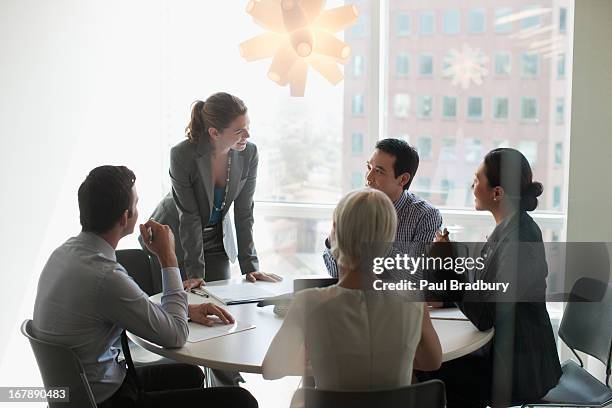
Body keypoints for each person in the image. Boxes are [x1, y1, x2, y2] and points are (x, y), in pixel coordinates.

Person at [32, 166, 257, 408]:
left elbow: (122, 306)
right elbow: (176, 336)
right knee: (241, 401)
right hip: (108, 400)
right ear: (124, 217)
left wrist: (186, 311)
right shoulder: (106, 276)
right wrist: (168, 257)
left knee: (190, 374)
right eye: (136, 204)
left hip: (80, 394)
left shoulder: (63, 254)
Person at [419, 148, 562, 407]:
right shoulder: (508, 229)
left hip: (518, 367)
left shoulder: (519, 239)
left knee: (427, 374)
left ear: (497, 193)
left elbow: (485, 316)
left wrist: (446, 265)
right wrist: (449, 298)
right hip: (504, 352)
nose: (472, 186)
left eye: (477, 179)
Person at [262, 188, 442, 389]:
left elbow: (271, 370)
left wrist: (322, 358)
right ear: (389, 238)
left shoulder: (308, 303)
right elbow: (432, 362)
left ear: (336, 231)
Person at [145, 93, 280, 290]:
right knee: (182, 306)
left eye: (248, 127)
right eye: (239, 131)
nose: (248, 135)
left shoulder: (249, 153)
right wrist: (195, 274)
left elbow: (244, 212)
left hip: (216, 238)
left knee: (221, 301)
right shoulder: (182, 155)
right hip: (173, 239)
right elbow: (189, 217)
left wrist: (250, 266)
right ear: (215, 133)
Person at [323, 138, 442, 278]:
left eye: (379, 171)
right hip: (357, 298)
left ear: (403, 179)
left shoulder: (426, 216)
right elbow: (336, 274)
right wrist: (333, 239)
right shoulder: (356, 207)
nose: (368, 177)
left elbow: (419, 277)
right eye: (369, 168)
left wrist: (376, 243)